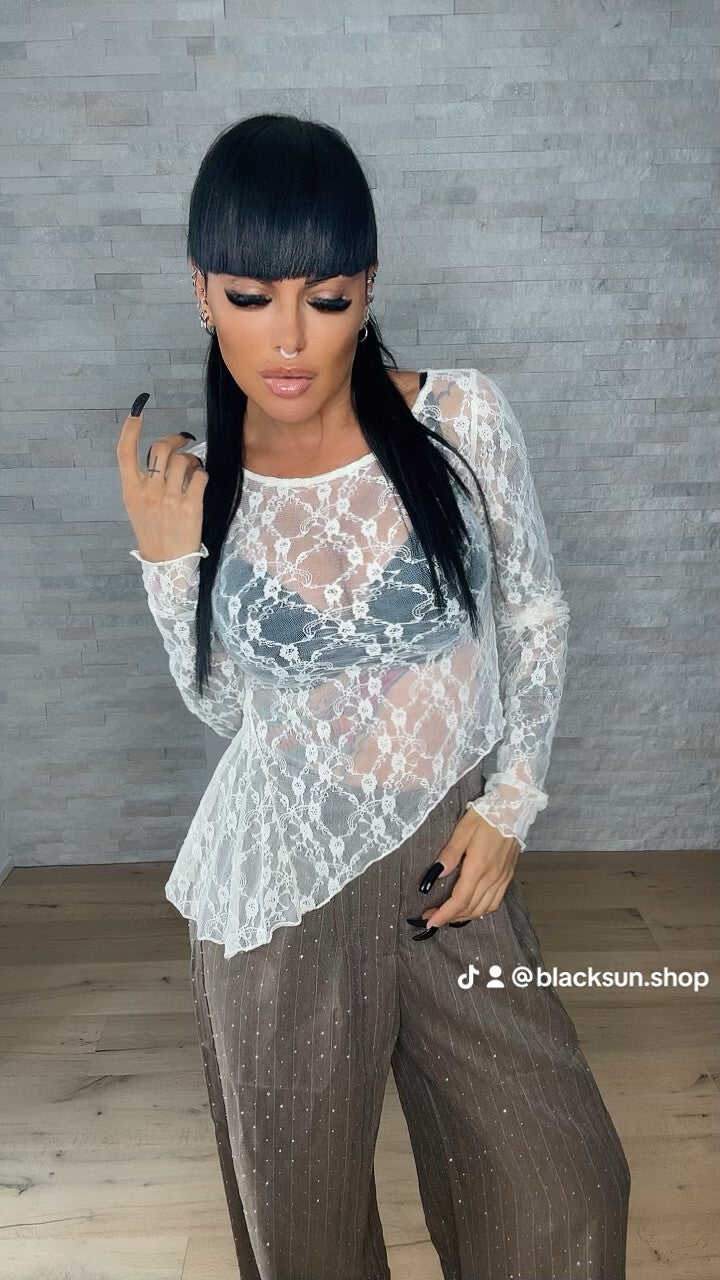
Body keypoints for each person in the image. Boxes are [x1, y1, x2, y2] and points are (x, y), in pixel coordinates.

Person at [118, 112, 630, 1280]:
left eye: (328, 298)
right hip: (280, 886)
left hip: (448, 855)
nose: (290, 337)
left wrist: (510, 802)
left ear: (368, 288)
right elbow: (230, 714)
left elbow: (535, 611)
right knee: (304, 1235)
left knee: (564, 1185)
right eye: (251, 298)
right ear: (202, 292)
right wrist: (167, 564)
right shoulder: (201, 486)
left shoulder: (461, 420)